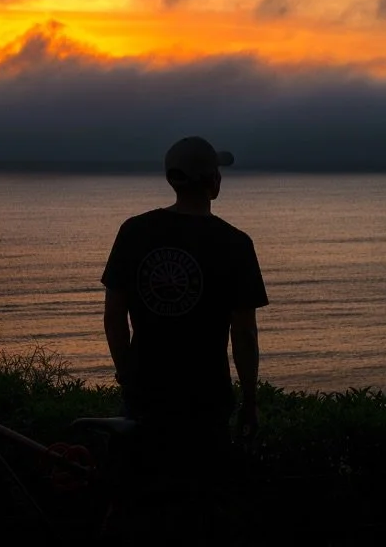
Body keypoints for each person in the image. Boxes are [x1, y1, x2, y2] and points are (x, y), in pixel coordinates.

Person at [100, 135, 269, 512]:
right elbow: (244, 333)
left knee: (138, 503)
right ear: (214, 182)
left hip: (145, 396)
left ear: (171, 179)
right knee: (203, 505)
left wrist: (128, 376)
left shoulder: (134, 231)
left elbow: (114, 318)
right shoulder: (235, 244)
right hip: (207, 401)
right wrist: (250, 401)